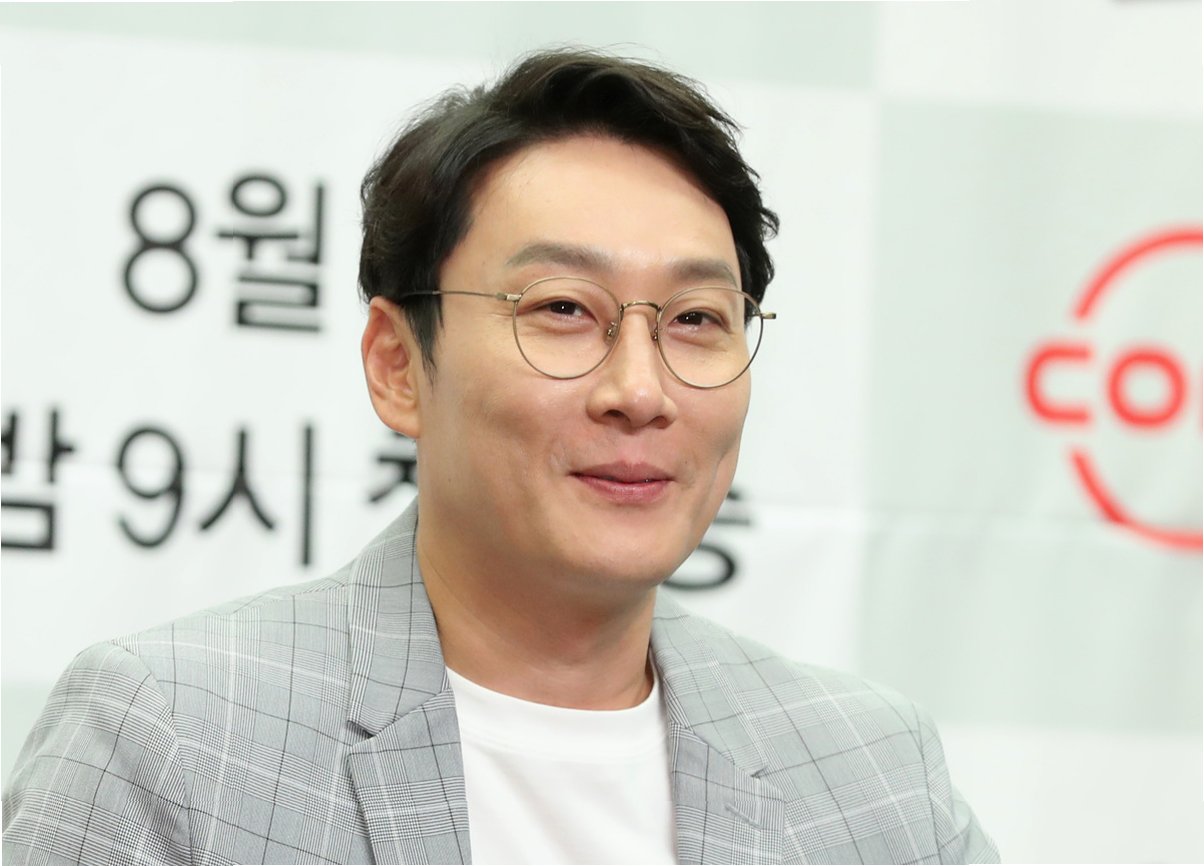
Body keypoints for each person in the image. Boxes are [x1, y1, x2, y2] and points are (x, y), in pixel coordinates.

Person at [3, 48, 998, 865]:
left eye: (697, 318)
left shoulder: (871, 775)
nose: (640, 390)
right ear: (398, 365)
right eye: (562, 308)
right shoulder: (175, 736)